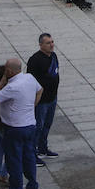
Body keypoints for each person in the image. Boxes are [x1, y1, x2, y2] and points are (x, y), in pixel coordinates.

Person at [0, 57, 42, 189]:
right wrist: (32, 106)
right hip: (30, 125)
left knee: (14, 160)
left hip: (14, 129)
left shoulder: (11, 87)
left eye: (6, 69)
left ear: (10, 71)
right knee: (29, 157)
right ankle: (32, 186)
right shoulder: (29, 78)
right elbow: (40, 90)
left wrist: (0, 84)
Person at [27, 34, 61, 162]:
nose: (52, 45)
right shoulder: (35, 60)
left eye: (52, 42)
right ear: (41, 45)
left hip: (52, 98)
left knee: (47, 124)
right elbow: (30, 80)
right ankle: (32, 154)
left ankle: (43, 148)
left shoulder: (53, 56)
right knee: (38, 127)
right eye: (48, 43)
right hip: (41, 100)